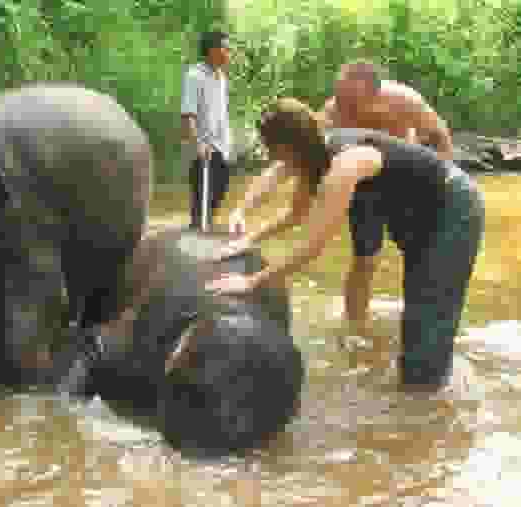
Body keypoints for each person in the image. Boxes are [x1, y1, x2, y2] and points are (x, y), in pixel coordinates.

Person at [208, 98, 484, 392]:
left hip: (452, 208)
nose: (270, 158)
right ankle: (425, 386)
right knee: (419, 315)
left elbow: (311, 248)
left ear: (287, 148)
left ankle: (431, 407)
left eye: (271, 150)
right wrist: (249, 238)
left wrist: (251, 282)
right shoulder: (313, 156)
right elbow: (294, 215)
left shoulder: (343, 166)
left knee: (429, 320)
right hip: (419, 213)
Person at [320, 59, 454, 160]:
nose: (345, 105)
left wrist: (446, 176)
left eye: (353, 99)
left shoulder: (405, 101)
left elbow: (438, 135)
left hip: (405, 159)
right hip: (361, 165)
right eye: (341, 94)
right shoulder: (331, 112)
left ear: (373, 95)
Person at [181, 30, 234, 230]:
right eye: (225, 48)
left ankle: (206, 231)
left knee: (217, 195)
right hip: (202, 149)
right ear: (212, 50)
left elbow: (221, 113)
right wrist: (198, 144)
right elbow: (188, 114)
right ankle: (196, 237)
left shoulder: (221, 78)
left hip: (221, 147)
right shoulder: (194, 76)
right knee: (201, 203)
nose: (229, 52)